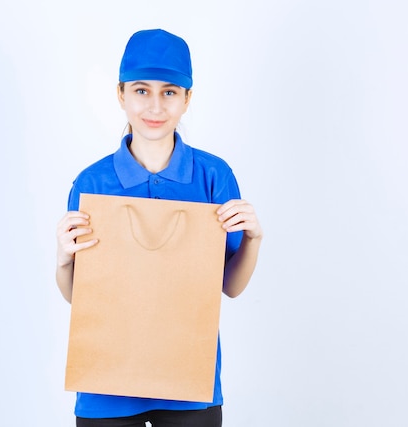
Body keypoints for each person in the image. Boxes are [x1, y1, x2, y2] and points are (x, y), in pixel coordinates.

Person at [56, 28, 263, 427]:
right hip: (105, 385)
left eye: (169, 91)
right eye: (140, 90)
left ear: (187, 98)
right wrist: (64, 261)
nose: (154, 105)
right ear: (121, 94)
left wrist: (253, 239)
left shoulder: (213, 177)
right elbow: (79, 299)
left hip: (189, 379)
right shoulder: (92, 183)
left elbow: (231, 287)